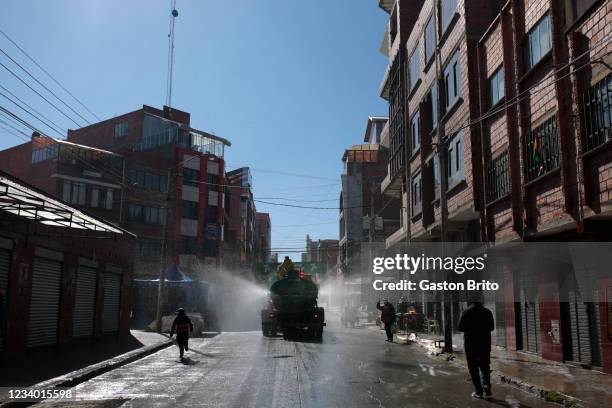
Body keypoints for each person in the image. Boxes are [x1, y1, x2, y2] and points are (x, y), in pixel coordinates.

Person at [458, 302, 495, 399]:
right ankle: (486, 384)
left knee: (473, 367)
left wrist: (471, 328)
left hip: (471, 344)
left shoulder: (466, 312)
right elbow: (492, 327)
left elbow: (460, 327)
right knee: (485, 365)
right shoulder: (487, 312)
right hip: (485, 344)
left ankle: (479, 391)